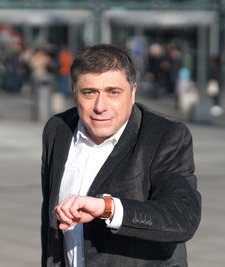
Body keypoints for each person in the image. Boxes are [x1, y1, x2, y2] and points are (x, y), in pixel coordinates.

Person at [41, 44, 201, 267]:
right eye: (89, 92)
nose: (100, 106)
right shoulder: (57, 129)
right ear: (74, 91)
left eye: (113, 92)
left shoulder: (165, 136)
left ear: (133, 92)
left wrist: (107, 208)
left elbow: (183, 217)